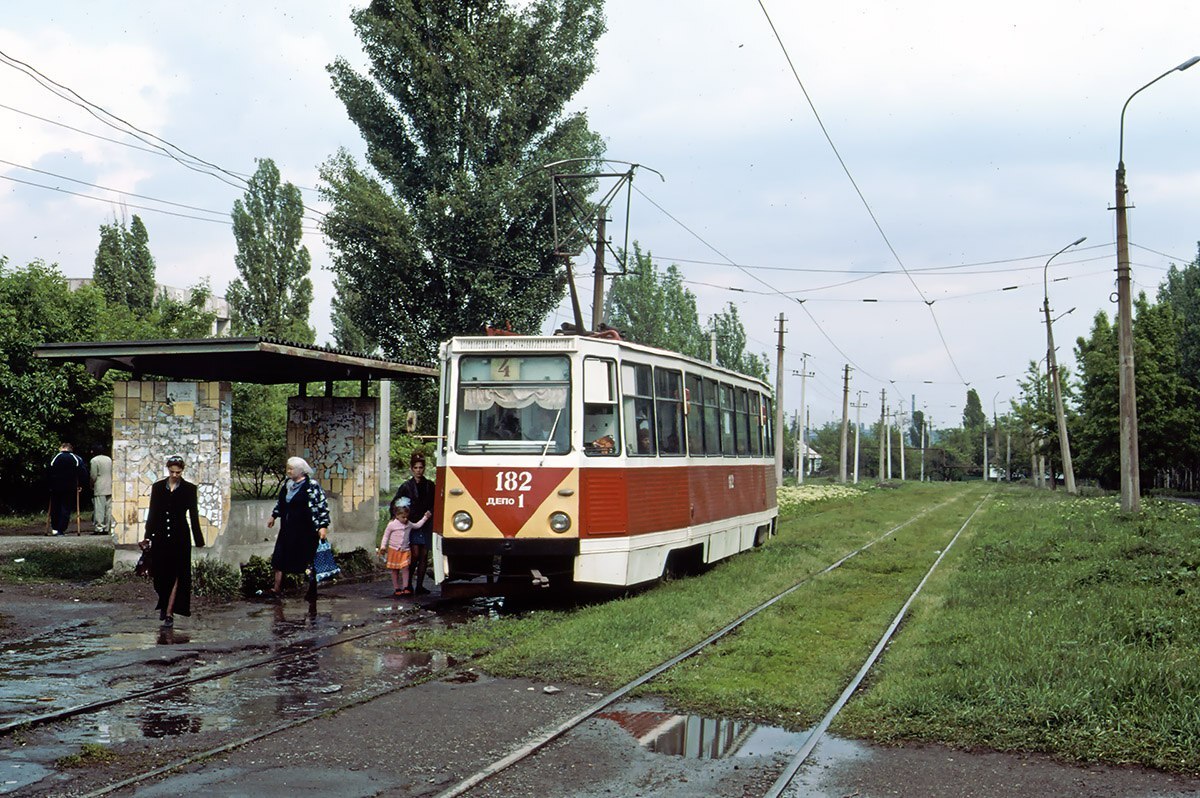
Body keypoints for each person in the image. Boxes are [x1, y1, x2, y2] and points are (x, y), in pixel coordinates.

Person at [142, 455, 204, 627]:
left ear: (182, 471)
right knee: (160, 574)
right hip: (160, 535)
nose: (175, 475)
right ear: (168, 470)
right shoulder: (158, 487)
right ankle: (163, 603)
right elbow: (153, 512)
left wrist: (198, 539)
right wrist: (148, 535)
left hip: (180, 537)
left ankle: (169, 612)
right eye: (172, 472)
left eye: (178, 472)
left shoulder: (189, 489)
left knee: (178, 574)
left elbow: (193, 514)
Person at [266, 456, 331, 601]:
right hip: (288, 528)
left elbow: (321, 505)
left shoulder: (311, 485)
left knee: (307, 560)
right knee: (279, 557)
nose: (288, 471)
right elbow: (281, 503)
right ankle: (276, 588)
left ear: (300, 471)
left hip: (305, 530)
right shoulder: (287, 484)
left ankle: (311, 590)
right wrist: (273, 516)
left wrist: (323, 526)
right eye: (287, 468)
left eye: (291, 469)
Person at [393, 451, 435, 594]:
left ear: (424, 469)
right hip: (412, 524)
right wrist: (401, 519)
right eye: (416, 468)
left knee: (424, 554)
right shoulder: (406, 486)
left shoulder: (430, 485)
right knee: (414, 554)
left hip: (426, 523)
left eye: (421, 467)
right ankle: (408, 584)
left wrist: (430, 513)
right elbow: (396, 503)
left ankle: (420, 585)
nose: (418, 470)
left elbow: (435, 502)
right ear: (412, 469)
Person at [378, 497, 430, 597]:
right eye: (403, 517)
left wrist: (425, 517)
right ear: (397, 516)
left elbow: (417, 525)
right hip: (394, 550)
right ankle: (397, 588)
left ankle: (406, 587)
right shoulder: (392, 525)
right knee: (394, 570)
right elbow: (386, 536)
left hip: (405, 550)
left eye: (407, 517)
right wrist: (383, 546)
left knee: (405, 568)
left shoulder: (409, 524)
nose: (405, 519)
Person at [47, 442, 87, 535]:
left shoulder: (55, 457)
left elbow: (48, 471)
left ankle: (55, 527)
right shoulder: (76, 458)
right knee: (66, 507)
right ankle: (61, 529)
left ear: (62, 448)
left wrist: (49, 485)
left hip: (55, 486)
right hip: (70, 486)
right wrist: (81, 485)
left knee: (55, 506)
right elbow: (82, 472)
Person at [89, 450, 113, 535]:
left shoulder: (94, 460)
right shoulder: (109, 459)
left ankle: (99, 528)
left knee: (99, 508)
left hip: (99, 486)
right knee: (108, 508)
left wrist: (91, 484)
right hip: (109, 485)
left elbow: (93, 475)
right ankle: (107, 527)